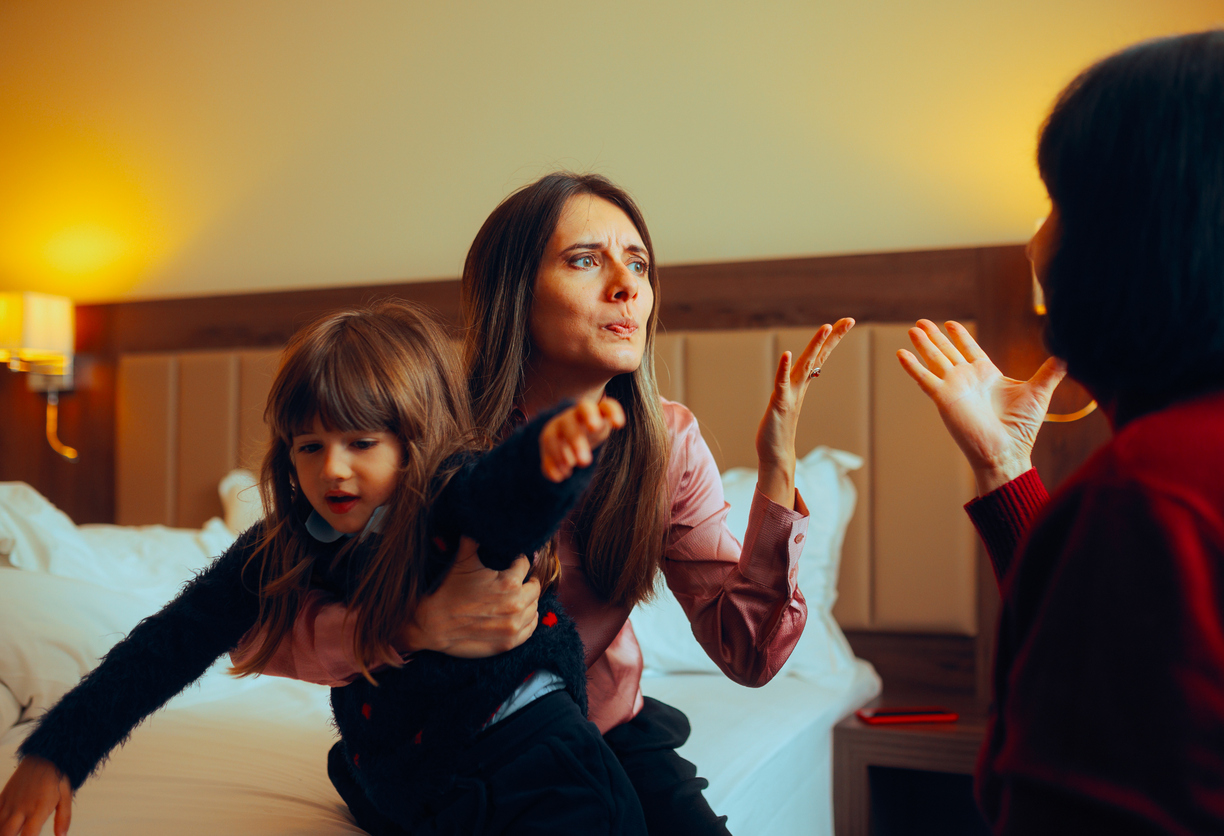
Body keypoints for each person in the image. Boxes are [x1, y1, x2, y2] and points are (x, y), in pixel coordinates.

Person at [247, 172, 854, 834]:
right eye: (586, 260)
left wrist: (777, 466)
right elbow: (256, 623)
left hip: (606, 724)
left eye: (639, 264)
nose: (626, 286)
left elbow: (749, 654)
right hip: (458, 741)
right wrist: (412, 626)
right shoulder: (436, 431)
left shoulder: (669, 443)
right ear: (515, 294)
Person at [0, 300, 650, 836]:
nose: (332, 469)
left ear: (415, 438)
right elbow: (169, 643)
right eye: (310, 446)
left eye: (361, 443)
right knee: (360, 767)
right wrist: (58, 752)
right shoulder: (286, 541)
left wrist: (550, 455)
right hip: (408, 780)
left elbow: (507, 497)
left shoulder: (452, 498)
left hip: (534, 758)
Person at [897, 29, 1224, 835]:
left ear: (1136, 240)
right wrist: (1004, 466)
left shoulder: (1151, 496)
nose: (1035, 244)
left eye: (1059, 203)